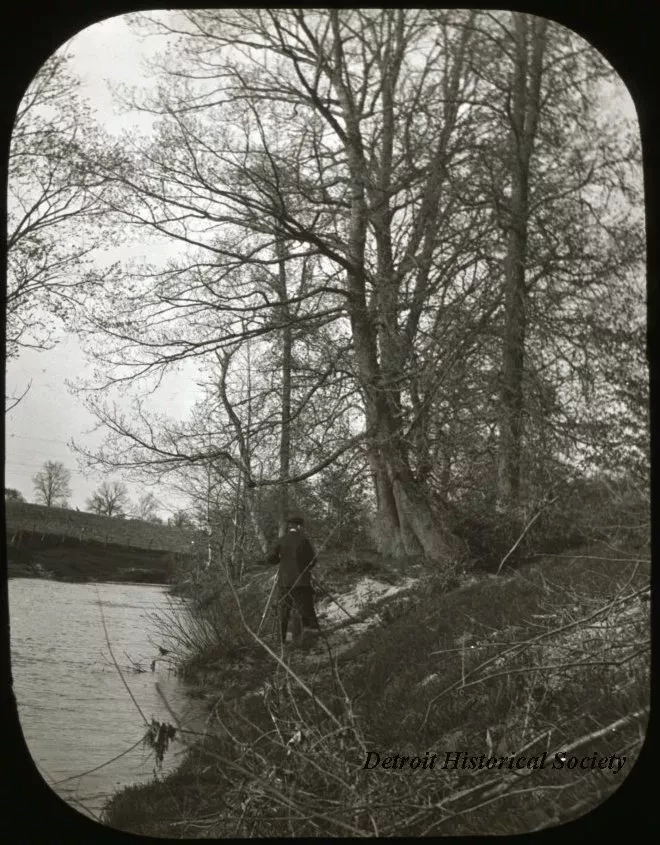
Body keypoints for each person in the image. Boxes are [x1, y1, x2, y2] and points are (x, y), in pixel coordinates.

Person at [266, 515, 320, 646]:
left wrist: (281, 560)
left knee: (284, 610)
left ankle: (282, 639)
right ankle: (311, 634)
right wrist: (304, 568)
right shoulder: (303, 540)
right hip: (301, 581)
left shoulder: (281, 540)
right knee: (306, 608)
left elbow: (271, 559)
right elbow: (312, 561)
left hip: (284, 581)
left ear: (289, 527)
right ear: (300, 526)